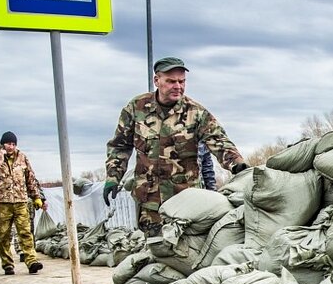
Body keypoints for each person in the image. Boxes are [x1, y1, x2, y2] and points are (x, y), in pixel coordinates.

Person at [103, 56, 247, 235]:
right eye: (171, 81)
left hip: (185, 201)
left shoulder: (196, 113)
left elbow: (219, 141)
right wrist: (112, 177)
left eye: (182, 81)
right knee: (153, 253)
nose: (177, 86)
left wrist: (238, 165)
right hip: (149, 202)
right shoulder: (136, 108)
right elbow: (119, 146)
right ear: (157, 80)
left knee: (185, 253)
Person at [0, 131, 47, 275]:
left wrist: (37, 197)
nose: (11, 147)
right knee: (4, 235)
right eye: (8, 144)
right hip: (1, 202)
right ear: (2, 144)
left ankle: (31, 261)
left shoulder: (22, 157)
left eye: (13, 144)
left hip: (20, 201)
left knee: (25, 232)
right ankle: (7, 264)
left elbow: (30, 178)